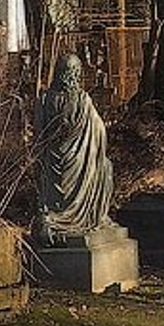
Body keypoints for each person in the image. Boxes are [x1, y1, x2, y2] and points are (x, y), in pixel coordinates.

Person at [33, 53, 115, 245]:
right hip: (79, 168)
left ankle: (51, 216)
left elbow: (38, 138)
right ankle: (94, 216)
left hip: (52, 169)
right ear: (75, 73)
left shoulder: (44, 100)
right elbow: (100, 132)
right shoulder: (82, 101)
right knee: (105, 166)